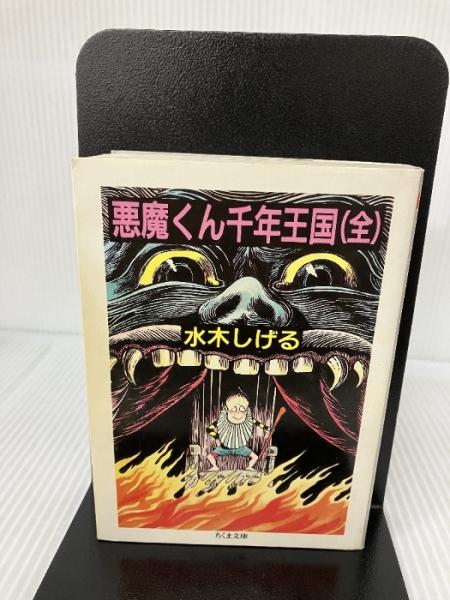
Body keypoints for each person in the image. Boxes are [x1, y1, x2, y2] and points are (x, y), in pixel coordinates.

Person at [206, 389, 271, 471]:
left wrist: (268, 428)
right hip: (224, 447)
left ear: (246, 410)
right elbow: (209, 429)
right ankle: (215, 466)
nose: (238, 413)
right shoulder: (221, 420)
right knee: (209, 456)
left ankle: (249, 467)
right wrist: (217, 438)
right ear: (227, 409)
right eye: (233, 409)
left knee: (255, 457)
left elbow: (259, 424)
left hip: (240, 447)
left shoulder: (248, 419)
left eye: (242, 409)